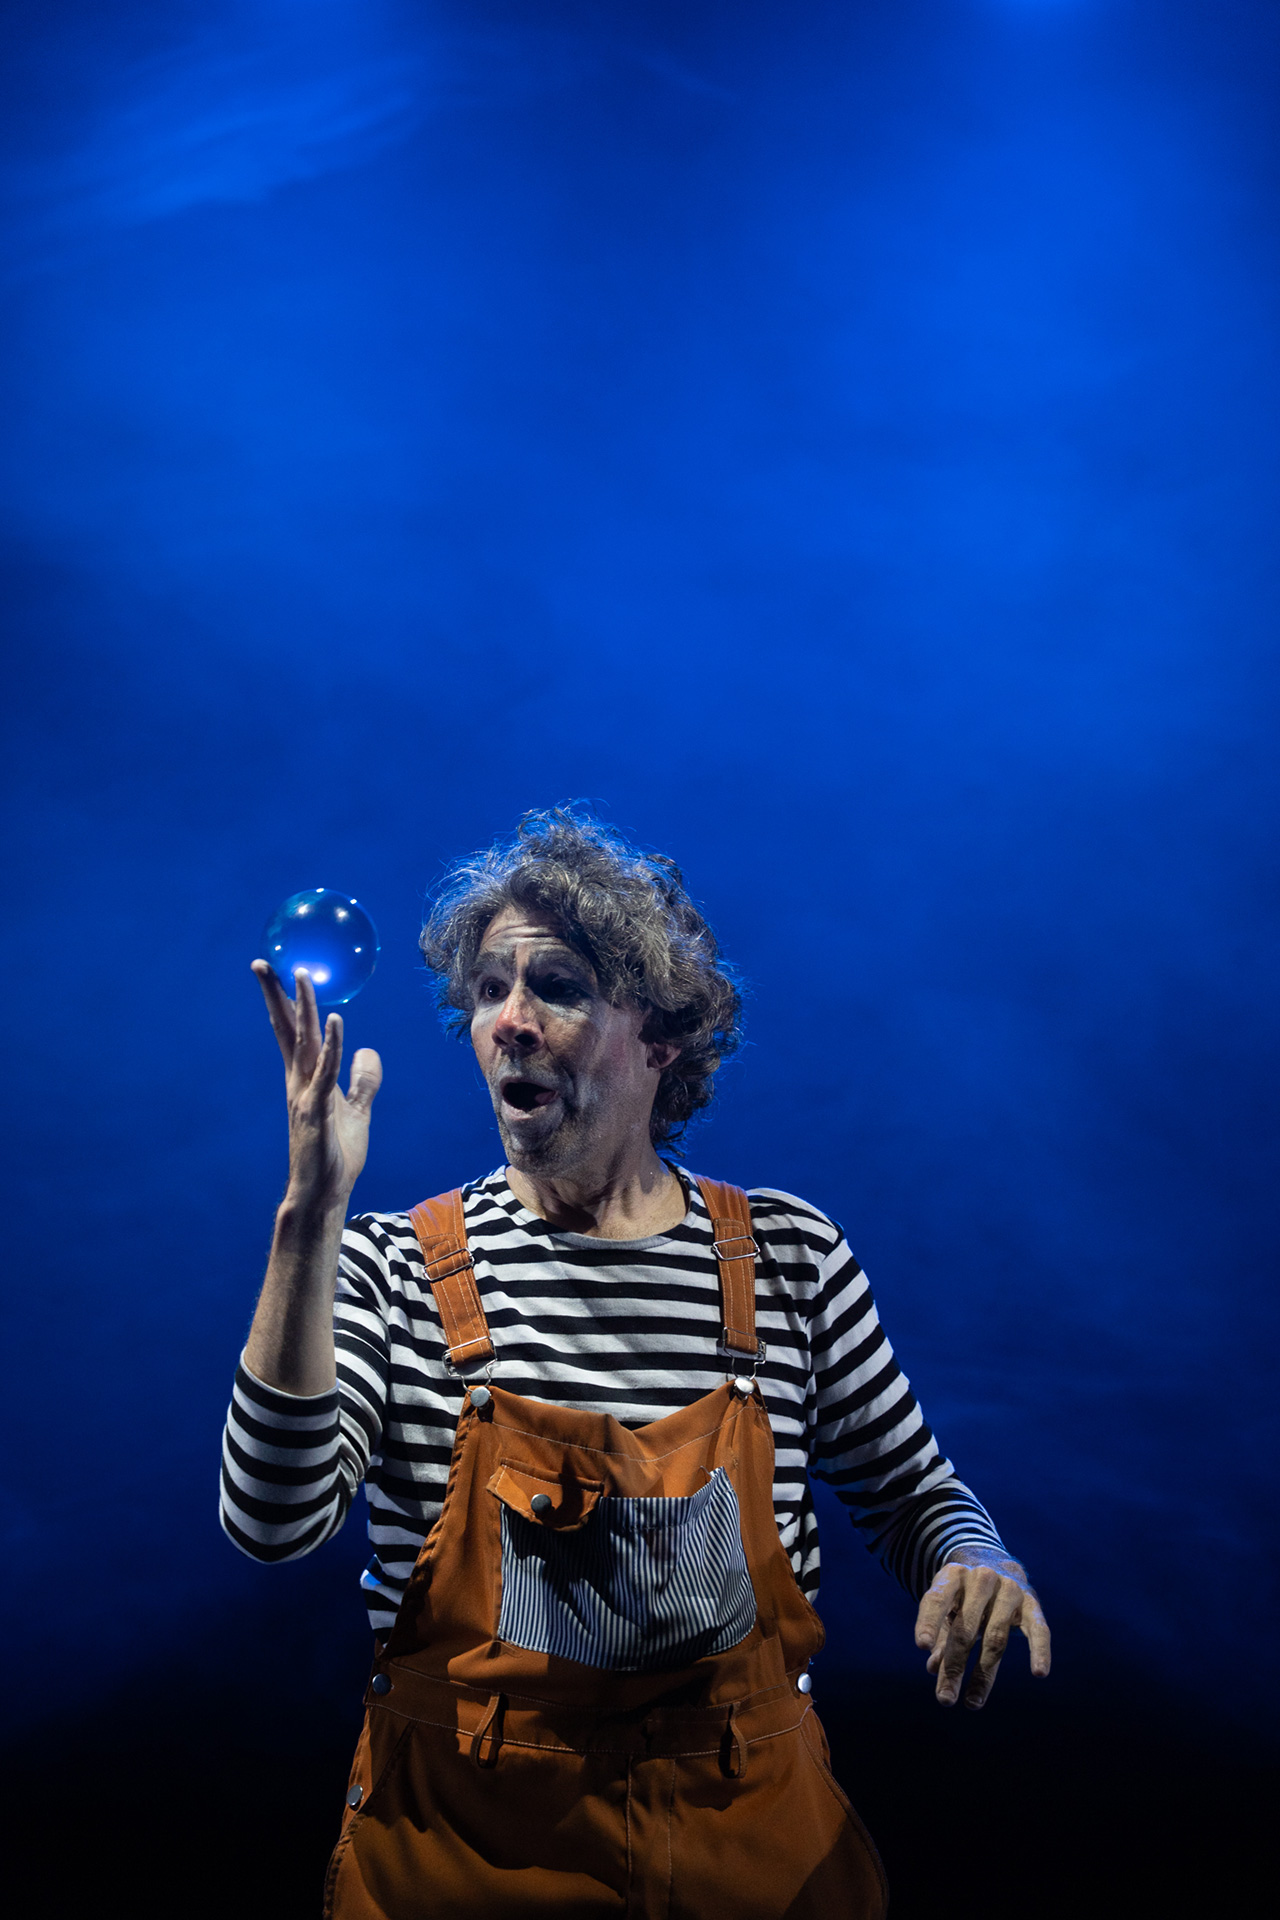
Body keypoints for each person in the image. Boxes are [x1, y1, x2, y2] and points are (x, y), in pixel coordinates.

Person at [220, 807, 1050, 1920]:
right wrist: (308, 1219)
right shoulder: (389, 1268)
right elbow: (272, 1523)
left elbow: (913, 1495)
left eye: (556, 987)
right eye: (488, 990)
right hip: (465, 1868)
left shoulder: (787, 1258)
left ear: (660, 1036)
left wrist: (976, 1559)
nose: (510, 1023)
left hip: (747, 1865)